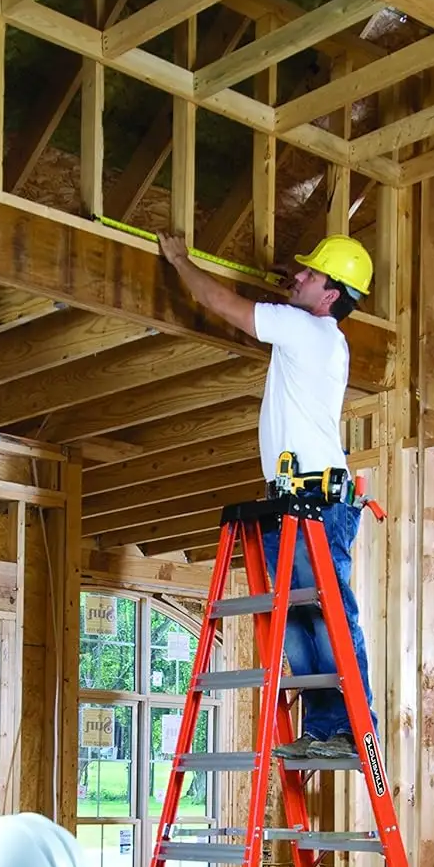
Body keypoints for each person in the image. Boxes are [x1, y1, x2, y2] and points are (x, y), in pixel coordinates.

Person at [159, 231, 378, 762]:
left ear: (330, 297)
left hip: (316, 502)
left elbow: (218, 302)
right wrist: (293, 287)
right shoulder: (312, 330)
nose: (297, 276)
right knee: (301, 625)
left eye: (310, 274)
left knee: (326, 615)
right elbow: (292, 296)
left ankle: (353, 726)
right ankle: (327, 728)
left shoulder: (308, 330)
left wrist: (180, 260)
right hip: (291, 501)